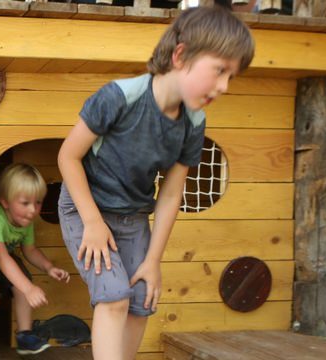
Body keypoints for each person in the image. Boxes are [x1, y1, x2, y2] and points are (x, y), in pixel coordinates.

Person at [56, 6, 255, 360]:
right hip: (84, 205)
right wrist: (92, 222)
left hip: (132, 218)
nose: (224, 86)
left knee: (141, 298)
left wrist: (153, 260)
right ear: (181, 55)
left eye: (231, 77)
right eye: (220, 70)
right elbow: (67, 158)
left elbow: (171, 193)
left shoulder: (193, 123)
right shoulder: (119, 97)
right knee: (114, 296)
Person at [0, 163, 71, 360]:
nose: (32, 210)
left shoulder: (26, 220)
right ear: (5, 202)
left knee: (23, 282)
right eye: (25, 203)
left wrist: (49, 267)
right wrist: (29, 288)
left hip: (1, 259)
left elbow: (29, 250)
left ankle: (24, 336)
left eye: (37, 203)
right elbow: (1, 256)